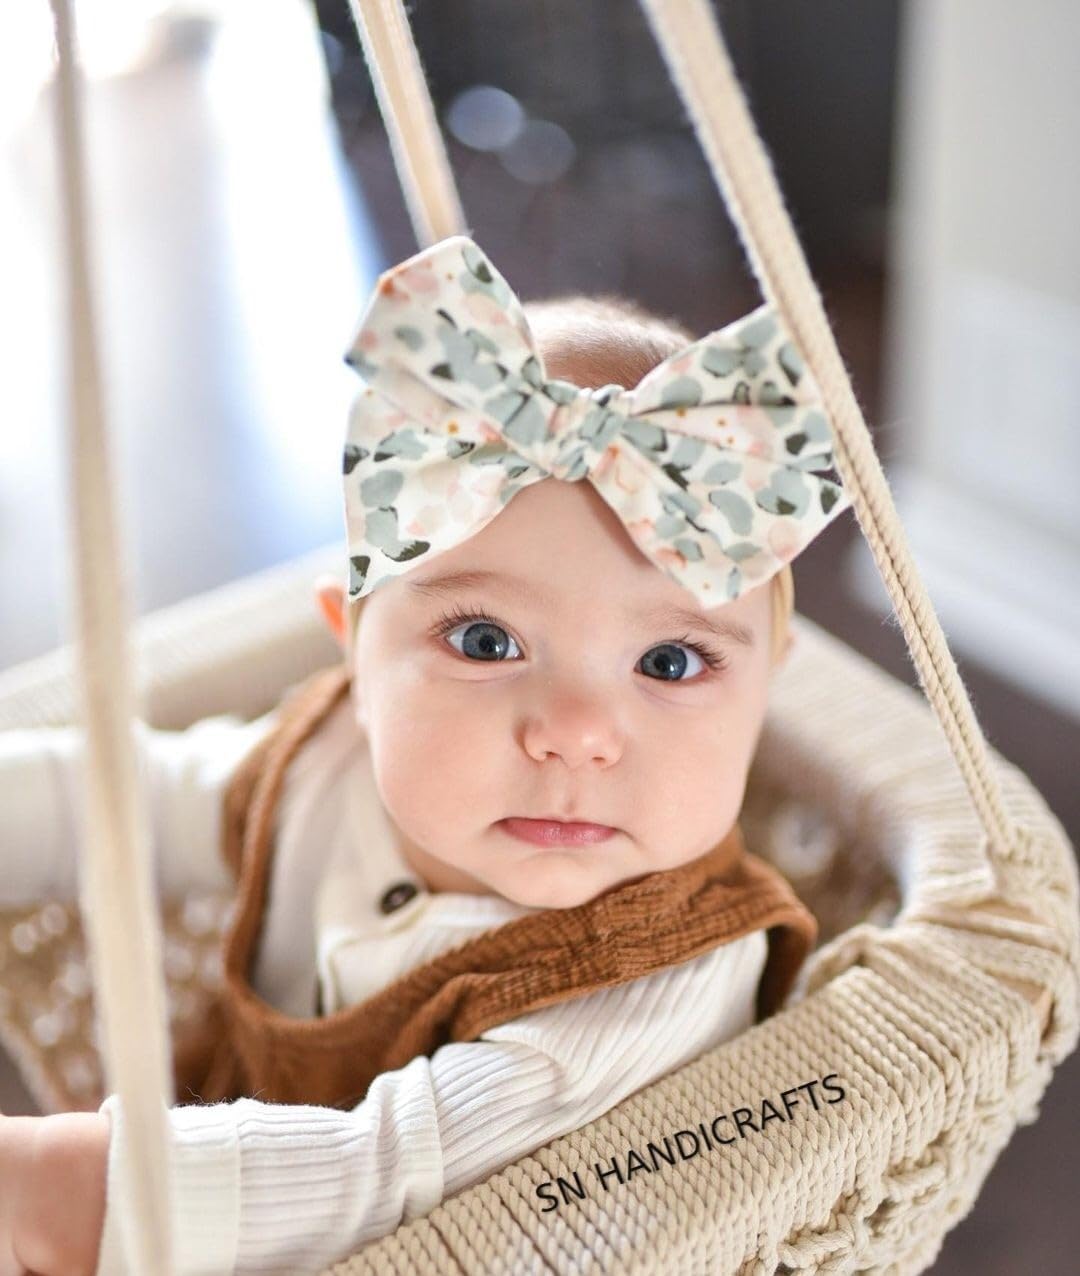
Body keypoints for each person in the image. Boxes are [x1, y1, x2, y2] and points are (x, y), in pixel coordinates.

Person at [0, 236, 849, 1276]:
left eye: (669, 660)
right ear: (353, 652)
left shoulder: (661, 981)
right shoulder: (331, 762)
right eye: (487, 642)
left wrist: (43, 1179)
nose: (576, 730)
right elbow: (136, 801)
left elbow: (380, 1175)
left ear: (769, 680)